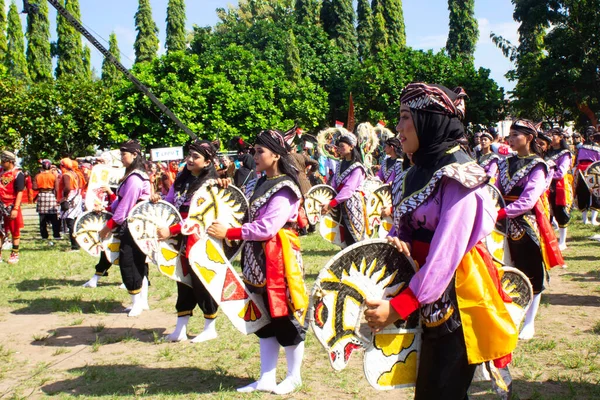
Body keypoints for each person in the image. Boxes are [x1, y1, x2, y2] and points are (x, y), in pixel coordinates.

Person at [365, 83, 517, 400]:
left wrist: (399, 306)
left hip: (459, 296)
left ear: (428, 120)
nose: (398, 127)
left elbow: (446, 256)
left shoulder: (461, 176)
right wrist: (397, 242)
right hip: (424, 291)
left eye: (406, 117)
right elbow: (403, 227)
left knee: (443, 389)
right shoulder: (414, 172)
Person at [208, 129, 307, 395]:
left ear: (276, 155)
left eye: (259, 151)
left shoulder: (286, 187)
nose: (255, 155)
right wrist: (224, 185)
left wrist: (230, 233)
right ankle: (266, 377)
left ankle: (294, 376)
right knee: (263, 321)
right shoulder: (257, 181)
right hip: (255, 260)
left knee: (284, 318)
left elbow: (266, 228)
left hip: (279, 261)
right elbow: (243, 209)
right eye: (254, 150)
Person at [496, 119, 564, 340]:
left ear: (530, 138)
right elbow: (496, 190)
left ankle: (529, 322)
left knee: (531, 271)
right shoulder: (504, 162)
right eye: (510, 135)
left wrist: (500, 213)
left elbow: (527, 201)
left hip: (524, 223)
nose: (511, 139)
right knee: (502, 267)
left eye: (516, 135)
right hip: (500, 222)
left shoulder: (539, 165)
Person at [155, 140, 222, 343]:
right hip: (179, 239)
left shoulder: (211, 185)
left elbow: (199, 218)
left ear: (208, 161)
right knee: (182, 281)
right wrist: (157, 201)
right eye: (189, 155)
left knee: (202, 282)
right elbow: (169, 204)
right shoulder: (181, 180)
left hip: (199, 241)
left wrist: (172, 229)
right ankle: (180, 327)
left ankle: (210, 326)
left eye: (196, 157)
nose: (190, 160)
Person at [98, 140, 151, 317]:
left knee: (130, 262)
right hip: (132, 224)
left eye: (124, 154)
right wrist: (106, 209)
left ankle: (138, 301)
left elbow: (125, 207)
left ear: (134, 154)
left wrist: (109, 226)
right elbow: (120, 203)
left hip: (133, 226)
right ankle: (140, 301)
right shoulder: (132, 176)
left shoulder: (135, 178)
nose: (121, 158)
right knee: (136, 261)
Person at [320, 129, 367, 247]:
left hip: (353, 204)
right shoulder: (340, 164)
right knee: (344, 236)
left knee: (355, 236)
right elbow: (334, 185)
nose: (339, 149)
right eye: (338, 146)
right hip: (340, 202)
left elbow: (348, 190)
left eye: (342, 146)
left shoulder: (357, 168)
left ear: (351, 147)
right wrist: (329, 198)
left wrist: (331, 204)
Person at [546, 128, 573, 250]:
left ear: (560, 137)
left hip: (560, 185)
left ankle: (563, 241)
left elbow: (561, 172)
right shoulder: (548, 153)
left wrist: (548, 175)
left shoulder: (565, 153)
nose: (551, 138)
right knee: (548, 210)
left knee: (560, 210)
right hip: (547, 184)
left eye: (553, 135)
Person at [0, 151, 25, 264]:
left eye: (3, 161)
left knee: (15, 231)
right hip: (0, 205)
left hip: (11, 205)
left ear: (10, 162)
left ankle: (14, 254)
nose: (1, 163)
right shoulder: (0, 172)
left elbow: (20, 192)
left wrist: (15, 208)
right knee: (0, 231)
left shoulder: (18, 174)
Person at [574, 128, 600, 225]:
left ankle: (585, 219)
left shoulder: (580, 147)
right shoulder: (597, 148)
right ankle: (593, 219)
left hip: (581, 170)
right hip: (593, 171)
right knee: (595, 193)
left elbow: (576, 160)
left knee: (582, 193)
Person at [57, 158, 83, 252]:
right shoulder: (75, 173)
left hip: (70, 198)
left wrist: (64, 197)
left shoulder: (66, 175)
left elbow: (68, 187)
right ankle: (78, 243)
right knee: (76, 221)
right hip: (77, 197)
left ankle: (75, 246)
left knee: (70, 222)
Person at [32, 159, 61, 245]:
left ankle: (44, 235)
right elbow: (56, 188)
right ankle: (56, 234)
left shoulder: (38, 176)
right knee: (54, 217)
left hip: (41, 196)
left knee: (42, 218)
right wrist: (57, 198)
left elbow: (34, 187)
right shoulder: (53, 176)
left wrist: (41, 186)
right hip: (51, 196)